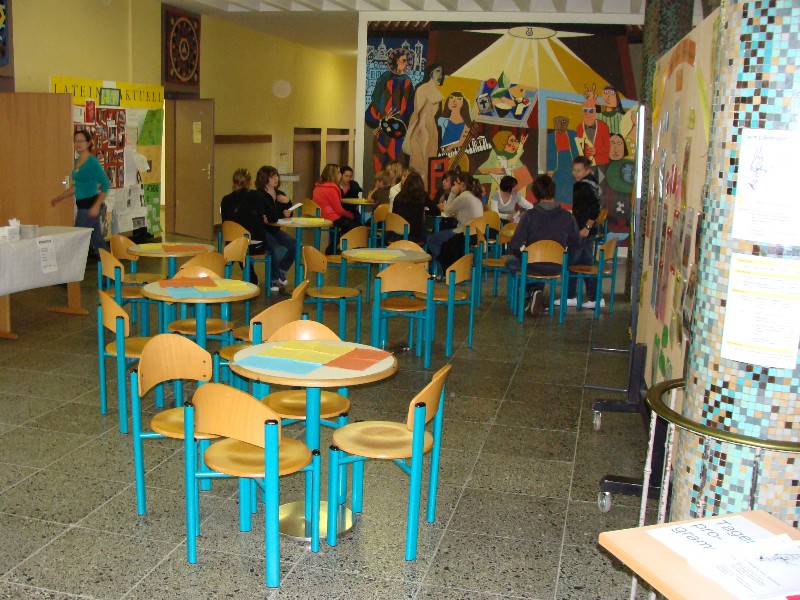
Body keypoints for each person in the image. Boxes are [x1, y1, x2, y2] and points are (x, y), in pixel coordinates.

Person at [505, 174, 580, 316]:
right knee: (542, 264)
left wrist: (522, 256)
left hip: (532, 265)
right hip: (557, 265)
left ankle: (531, 291)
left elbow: (514, 244)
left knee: (511, 261)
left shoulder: (529, 216)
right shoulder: (567, 216)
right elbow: (576, 244)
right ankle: (535, 292)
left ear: (535, 194)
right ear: (554, 191)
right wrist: (567, 262)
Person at [50, 130, 111, 258]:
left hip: (89, 207)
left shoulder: (92, 162)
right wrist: (60, 197)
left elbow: (106, 183)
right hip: (83, 206)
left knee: (76, 241)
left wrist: (96, 206)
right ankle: (113, 266)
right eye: (76, 141)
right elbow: (77, 186)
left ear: (88, 143)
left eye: (81, 141)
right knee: (97, 242)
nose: (78, 144)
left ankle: (109, 265)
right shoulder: (77, 161)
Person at [563, 156, 602, 308]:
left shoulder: (584, 186)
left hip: (583, 232)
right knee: (586, 264)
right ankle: (595, 298)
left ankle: (570, 296)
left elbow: (595, 208)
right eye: (574, 170)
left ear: (587, 170)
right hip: (586, 231)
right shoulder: (592, 183)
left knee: (571, 264)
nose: (575, 173)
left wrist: (586, 228)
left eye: (579, 170)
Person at [250, 165, 297, 291]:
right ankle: (273, 280)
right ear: (264, 178)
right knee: (275, 249)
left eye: (276, 176)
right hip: (263, 230)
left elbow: (287, 214)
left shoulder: (280, 195)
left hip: (275, 229)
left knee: (295, 245)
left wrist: (288, 204)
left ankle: (282, 270)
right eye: (272, 177)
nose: (276, 179)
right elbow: (265, 216)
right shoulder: (259, 195)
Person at [427, 171, 483, 272]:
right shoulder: (475, 197)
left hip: (464, 233)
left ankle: (441, 268)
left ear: (462, 185)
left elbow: (447, 211)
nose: (454, 184)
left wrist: (452, 194)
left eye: (456, 182)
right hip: (477, 234)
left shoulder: (463, 197)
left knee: (432, 239)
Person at [403, 64, 444, 186]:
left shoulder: (434, 90)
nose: (440, 75)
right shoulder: (423, 89)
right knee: (419, 167)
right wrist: (411, 135)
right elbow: (418, 113)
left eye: (441, 72)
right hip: (422, 131)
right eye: (437, 71)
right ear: (431, 73)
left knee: (429, 167)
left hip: (432, 131)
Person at [312, 163, 359, 254]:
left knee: (347, 225)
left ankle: (333, 247)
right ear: (333, 174)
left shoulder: (318, 186)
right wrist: (350, 214)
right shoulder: (332, 188)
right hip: (331, 217)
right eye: (338, 172)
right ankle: (333, 248)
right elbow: (339, 209)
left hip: (320, 215)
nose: (340, 174)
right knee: (356, 226)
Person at [389, 171, 427, 244]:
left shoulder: (398, 197)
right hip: (415, 235)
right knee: (430, 236)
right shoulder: (422, 196)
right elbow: (436, 211)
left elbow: (394, 213)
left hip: (396, 234)